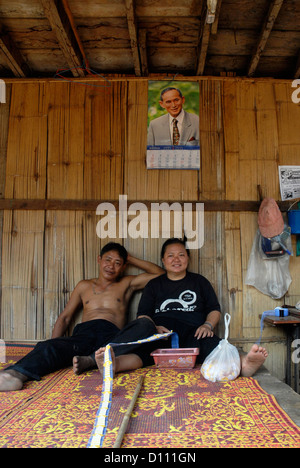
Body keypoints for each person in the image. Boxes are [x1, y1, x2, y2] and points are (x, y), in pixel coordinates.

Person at [94, 238, 268, 379]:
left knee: (214, 344)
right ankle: (112, 364)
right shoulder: (154, 285)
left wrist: (207, 325)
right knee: (143, 350)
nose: (176, 260)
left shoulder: (199, 282)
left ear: (188, 259)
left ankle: (245, 363)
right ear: (163, 260)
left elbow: (214, 309)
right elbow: (143, 316)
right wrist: (153, 327)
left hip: (194, 333)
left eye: (181, 255)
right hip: (160, 335)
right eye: (170, 256)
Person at [0, 242, 164, 392]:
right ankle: (14, 375)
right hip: (84, 336)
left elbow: (160, 274)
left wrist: (129, 258)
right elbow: (65, 317)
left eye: (117, 263)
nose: (111, 266)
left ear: (123, 266)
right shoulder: (84, 285)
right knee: (46, 347)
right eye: (108, 260)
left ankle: (91, 361)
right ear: (99, 259)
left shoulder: (127, 283)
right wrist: (55, 343)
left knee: (145, 324)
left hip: (112, 339)